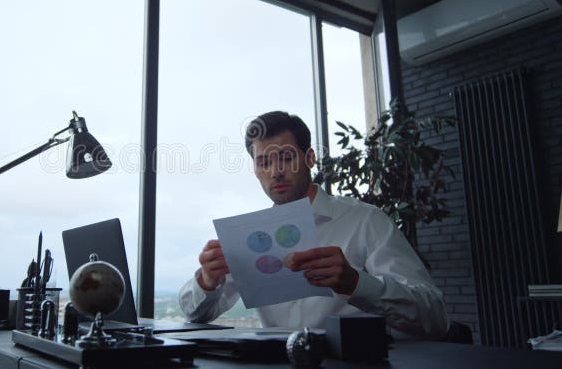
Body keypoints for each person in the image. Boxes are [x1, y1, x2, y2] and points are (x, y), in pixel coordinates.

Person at [178, 111, 449, 338]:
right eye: (264, 162)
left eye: (286, 158)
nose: (275, 172)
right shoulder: (251, 237)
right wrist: (207, 281)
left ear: (309, 158)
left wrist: (356, 283)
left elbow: (435, 316)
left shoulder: (366, 220)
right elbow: (194, 314)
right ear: (256, 170)